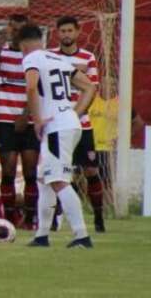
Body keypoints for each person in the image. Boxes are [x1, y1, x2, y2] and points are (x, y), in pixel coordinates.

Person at [20, 23, 97, 249]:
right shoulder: (59, 60)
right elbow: (90, 87)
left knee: (58, 181)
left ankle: (81, 235)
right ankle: (42, 235)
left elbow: (31, 88)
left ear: (23, 45)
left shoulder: (32, 58)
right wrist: (74, 113)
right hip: (69, 124)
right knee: (45, 179)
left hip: (55, 127)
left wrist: (37, 119)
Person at [50, 16, 105, 232]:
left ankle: (99, 218)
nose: (66, 35)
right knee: (58, 173)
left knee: (90, 170)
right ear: (57, 33)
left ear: (78, 32)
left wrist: (74, 115)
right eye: (62, 31)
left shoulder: (88, 58)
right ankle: (54, 219)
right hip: (58, 126)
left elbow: (91, 91)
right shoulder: (50, 56)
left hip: (82, 124)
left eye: (69, 31)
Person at [0, 13, 39, 228]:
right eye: (13, 29)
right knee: (7, 170)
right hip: (5, 121)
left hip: (30, 122)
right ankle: (8, 218)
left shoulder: (35, 57)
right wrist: (0, 42)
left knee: (30, 172)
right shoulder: (3, 54)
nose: (17, 34)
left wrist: (25, 115)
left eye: (20, 30)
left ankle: (30, 218)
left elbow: (37, 89)